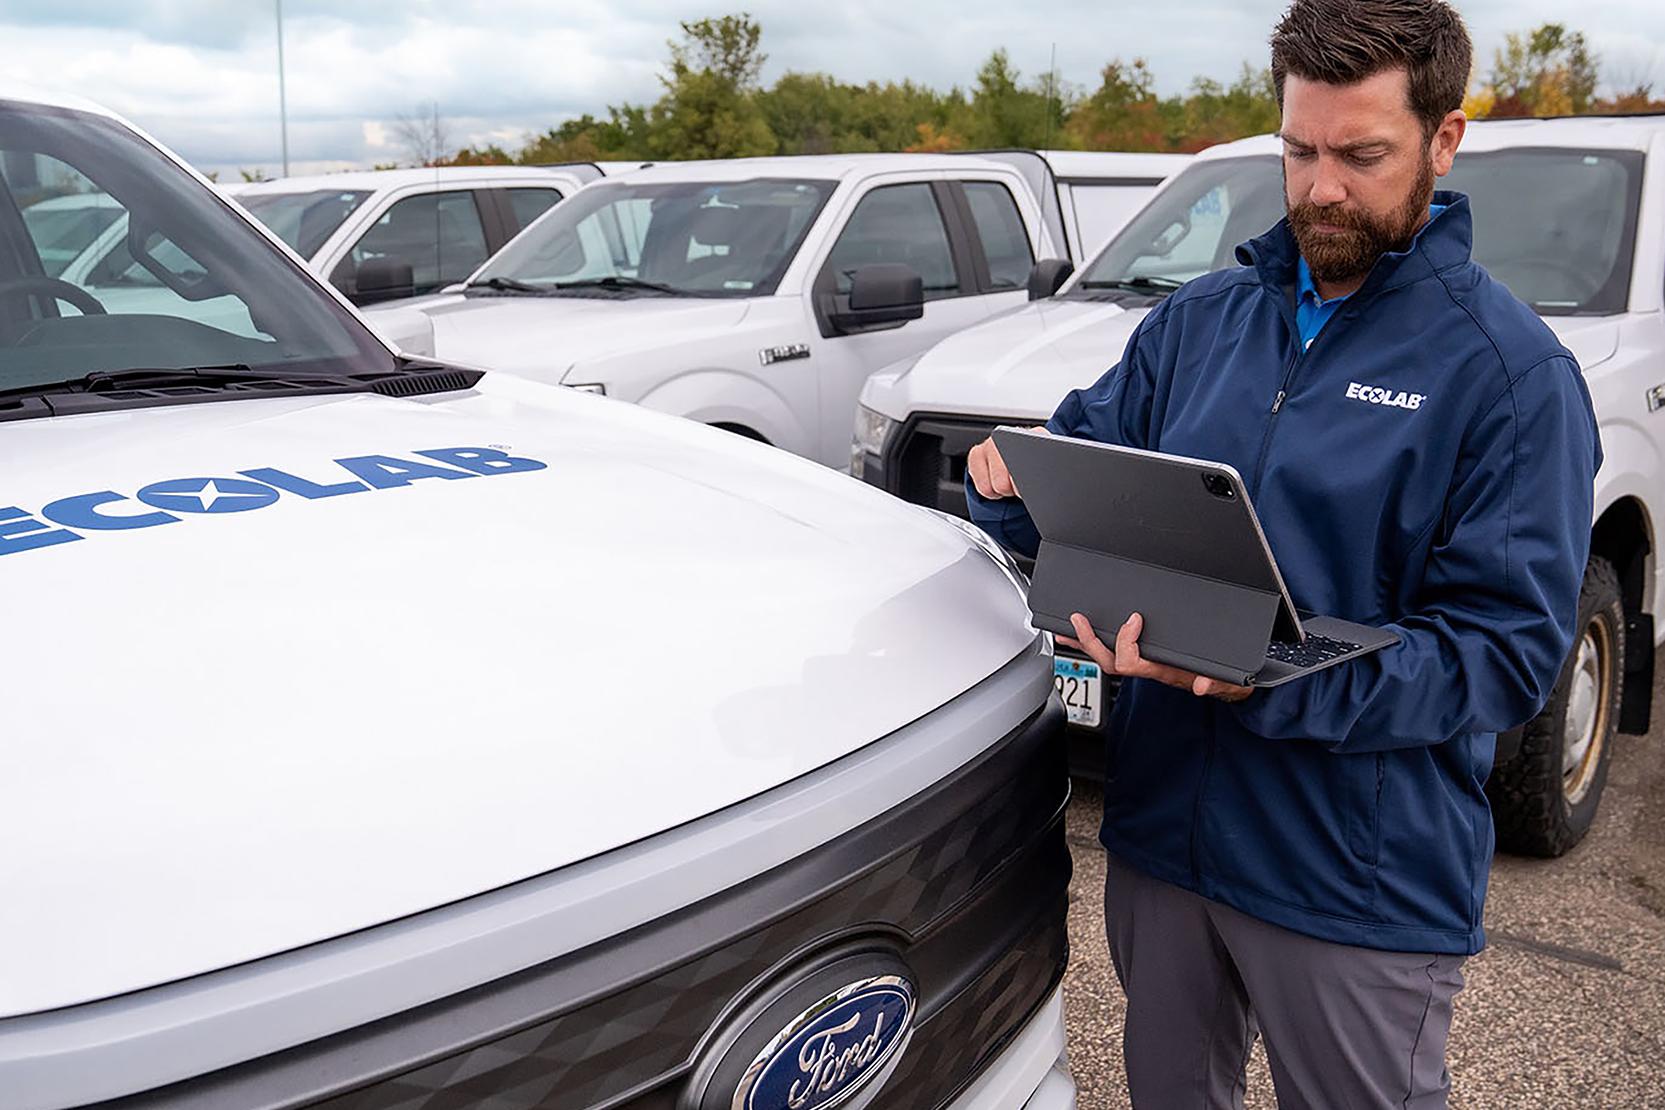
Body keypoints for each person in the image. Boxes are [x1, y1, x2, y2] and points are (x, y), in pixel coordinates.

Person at [965, 1, 1600, 1106]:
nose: (1322, 189)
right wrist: (1012, 488)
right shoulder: (1198, 322)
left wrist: (1266, 677)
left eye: (1362, 155)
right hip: (1166, 841)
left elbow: (1503, 656)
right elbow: (1084, 494)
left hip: (1352, 878)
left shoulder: (1509, 376)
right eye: (1299, 152)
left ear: (1443, 142)